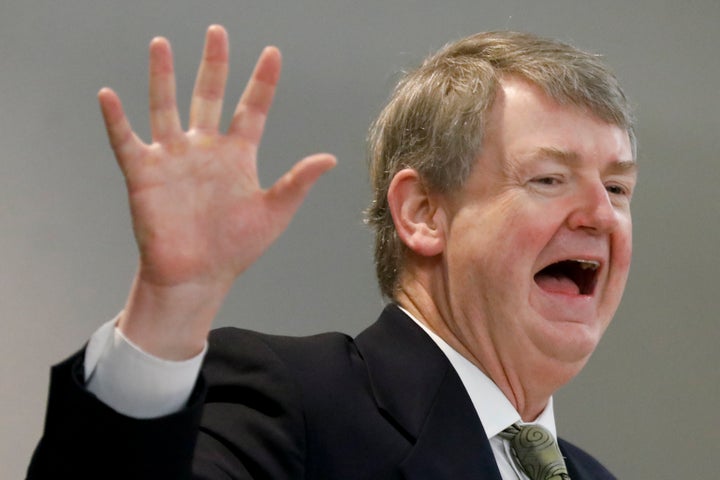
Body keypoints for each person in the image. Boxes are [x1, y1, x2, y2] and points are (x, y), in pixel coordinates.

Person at [28, 24, 636, 479]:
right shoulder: (296, 404)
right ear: (423, 213)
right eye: (548, 179)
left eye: (616, 188)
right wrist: (172, 304)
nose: (601, 215)